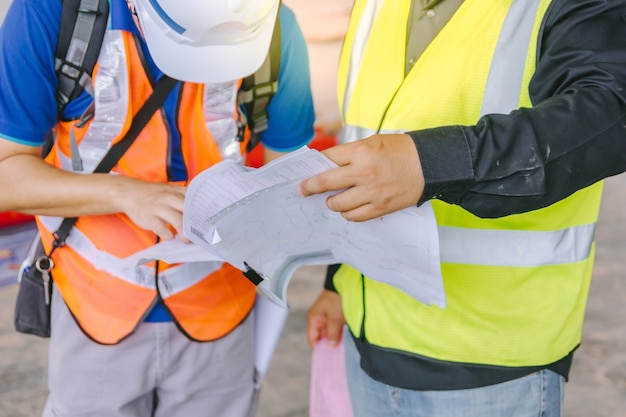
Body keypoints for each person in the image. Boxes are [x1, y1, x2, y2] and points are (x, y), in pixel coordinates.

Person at [300, 0, 626, 416]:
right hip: (369, 335)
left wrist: (431, 162)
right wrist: (337, 283)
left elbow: (608, 114)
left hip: (491, 362)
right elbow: (370, 136)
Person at [0, 0, 314, 415]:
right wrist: (126, 195)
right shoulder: (55, 13)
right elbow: (7, 176)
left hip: (221, 309)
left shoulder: (274, 28)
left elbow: (296, 182)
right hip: (94, 308)